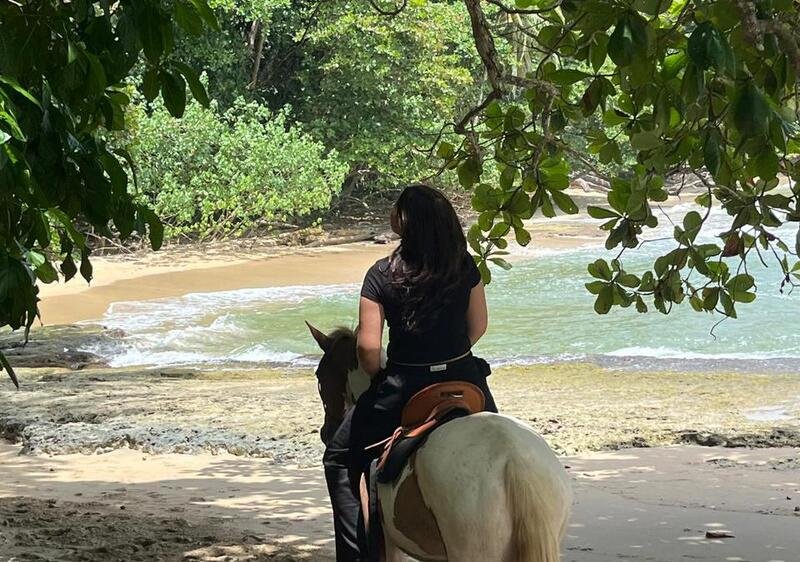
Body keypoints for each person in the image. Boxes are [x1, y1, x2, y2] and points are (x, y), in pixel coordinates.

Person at [322, 183, 498, 561]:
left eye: (396, 209)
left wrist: (378, 377)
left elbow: (368, 349)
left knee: (338, 458)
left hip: (406, 386)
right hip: (464, 380)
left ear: (404, 222)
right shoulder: (465, 265)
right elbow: (479, 326)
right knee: (497, 442)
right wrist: (448, 355)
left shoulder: (381, 274)